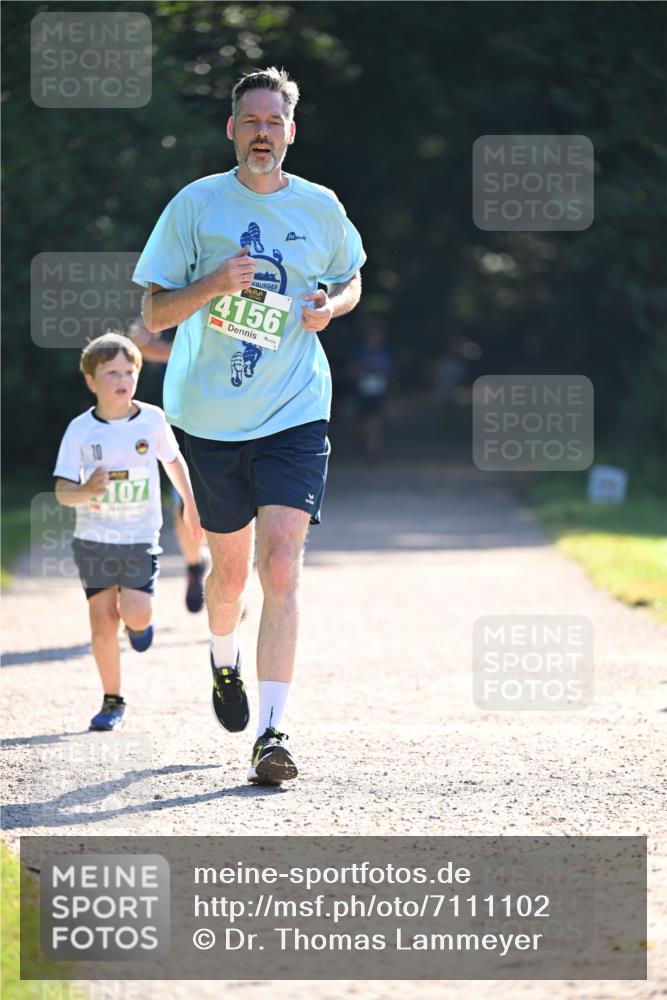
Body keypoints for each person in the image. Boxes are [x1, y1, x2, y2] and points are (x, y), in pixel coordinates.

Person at [133, 66, 365, 785]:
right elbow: (152, 315)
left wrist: (333, 305)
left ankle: (272, 732)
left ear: (290, 132)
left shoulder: (320, 206)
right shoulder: (195, 205)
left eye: (274, 122)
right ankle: (222, 659)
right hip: (208, 416)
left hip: (295, 408)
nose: (262, 133)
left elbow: (352, 276)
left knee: (283, 565)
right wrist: (212, 285)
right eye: (250, 121)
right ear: (231, 129)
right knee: (229, 577)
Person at [53, 332, 201, 731]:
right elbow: (63, 492)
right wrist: (86, 490)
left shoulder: (152, 419)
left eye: (129, 371)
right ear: (91, 380)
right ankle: (112, 700)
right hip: (94, 541)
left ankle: (140, 626)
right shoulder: (80, 430)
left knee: (135, 612)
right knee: (102, 621)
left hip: (139, 537)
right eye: (111, 372)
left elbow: (174, 463)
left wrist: (190, 504)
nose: (122, 379)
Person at [128, 318, 208, 613]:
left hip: (235, 415)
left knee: (237, 506)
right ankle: (195, 565)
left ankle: (228, 578)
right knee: (185, 503)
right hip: (182, 418)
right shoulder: (174, 288)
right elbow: (140, 343)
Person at [349, 319, 394, 464]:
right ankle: (363, 444)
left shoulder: (385, 353)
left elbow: (390, 373)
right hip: (362, 393)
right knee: (363, 424)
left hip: (378, 394)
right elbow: (351, 371)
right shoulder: (359, 352)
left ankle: (373, 453)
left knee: (375, 422)